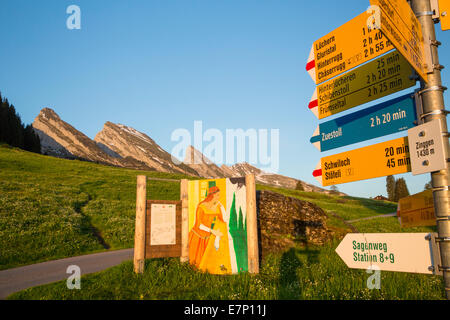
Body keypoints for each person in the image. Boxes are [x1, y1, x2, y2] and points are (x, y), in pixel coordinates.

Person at [188, 186, 232, 274]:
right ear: (212, 195)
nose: (218, 197)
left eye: (219, 195)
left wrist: (222, 206)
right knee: (194, 262)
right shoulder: (202, 206)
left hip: (207, 237)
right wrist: (212, 231)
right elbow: (198, 225)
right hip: (197, 236)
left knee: (204, 262)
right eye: (217, 195)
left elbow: (225, 219)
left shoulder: (216, 206)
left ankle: (202, 275)